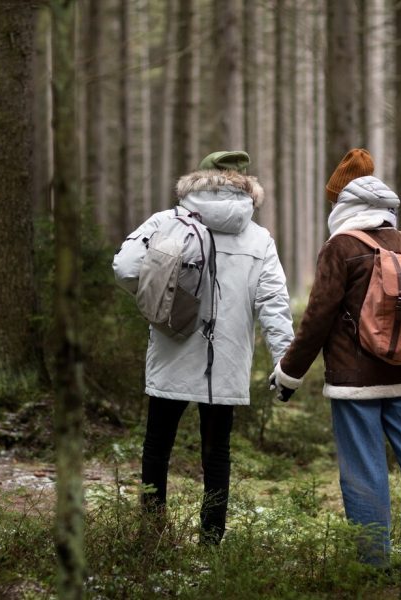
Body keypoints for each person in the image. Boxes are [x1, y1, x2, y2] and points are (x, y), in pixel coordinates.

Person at [268, 148, 401, 583]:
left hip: (356, 381)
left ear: (343, 206)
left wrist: (288, 374)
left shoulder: (340, 247)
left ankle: (371, 561)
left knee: (364, 467)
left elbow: (316, 320)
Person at [113, 151, 293, 544]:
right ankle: (211, 543)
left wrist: (155, 301)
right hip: (226, 361)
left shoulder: (167, 222)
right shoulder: (259, 238)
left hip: (171, 347)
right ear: (246, 185)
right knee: (216, 453)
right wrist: (285, 361)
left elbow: (126, 268)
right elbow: (274, 304)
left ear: (200, 178)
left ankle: (152, 533)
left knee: (157, 446)